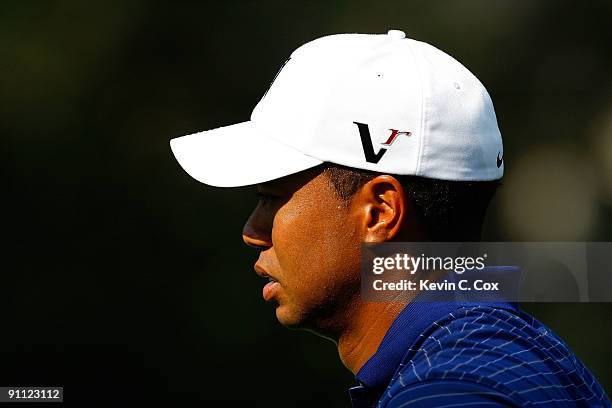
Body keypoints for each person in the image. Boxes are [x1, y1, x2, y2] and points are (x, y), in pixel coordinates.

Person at [170, 30, 610, 407]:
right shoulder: (502, 354)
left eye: (272, 196)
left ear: (380, 212)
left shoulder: (446, 389)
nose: (252, 232)